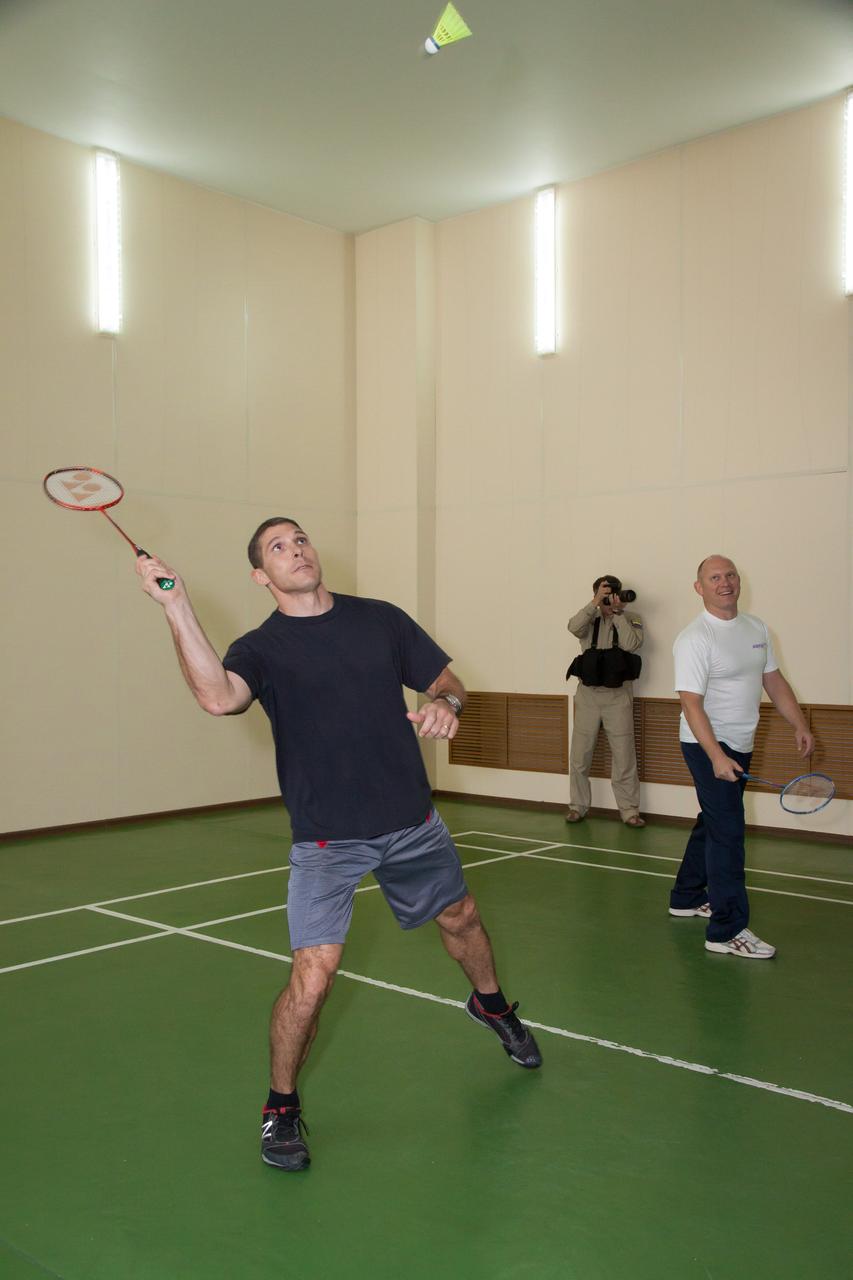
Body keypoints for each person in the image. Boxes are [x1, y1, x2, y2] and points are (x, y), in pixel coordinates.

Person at [136, 517, 541, 1172]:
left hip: (411, 821)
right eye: (276, 547)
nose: (294, 549)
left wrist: (449, 707)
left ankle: (491, 1005)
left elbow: (450, 684)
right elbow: (218, 698)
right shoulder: (260, 649)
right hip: (326, 840)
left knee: (461, 918)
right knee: (313, 976)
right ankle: (280, 1107)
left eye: (298, 539)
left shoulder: (379, 619)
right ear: (260, 577)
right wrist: (175, 604)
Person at [669, 555, 814, 958]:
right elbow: (691, 703)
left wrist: (800, 724)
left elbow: (773, 679)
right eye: (714, 577)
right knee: (729, 832)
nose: (725, 582)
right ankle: (726, 930)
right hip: (706, 745)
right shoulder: (695, 638)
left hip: (741, 743)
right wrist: (715, 755)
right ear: (699, 587)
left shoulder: (755, 628)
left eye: (730, 575)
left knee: (714, 820)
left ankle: (684, 896)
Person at [565, 575, 645, 827]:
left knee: (624, 756)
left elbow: (632, 644)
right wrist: (595, 604)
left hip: (617, 696)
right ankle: (577, 806)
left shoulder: (631, 619)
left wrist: (617, 613)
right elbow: (573, 627)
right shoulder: (589, 619)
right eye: (605, 595)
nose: (610, 599)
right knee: (580, 755)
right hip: (588, 695)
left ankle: (629, 811)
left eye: (612, 594)